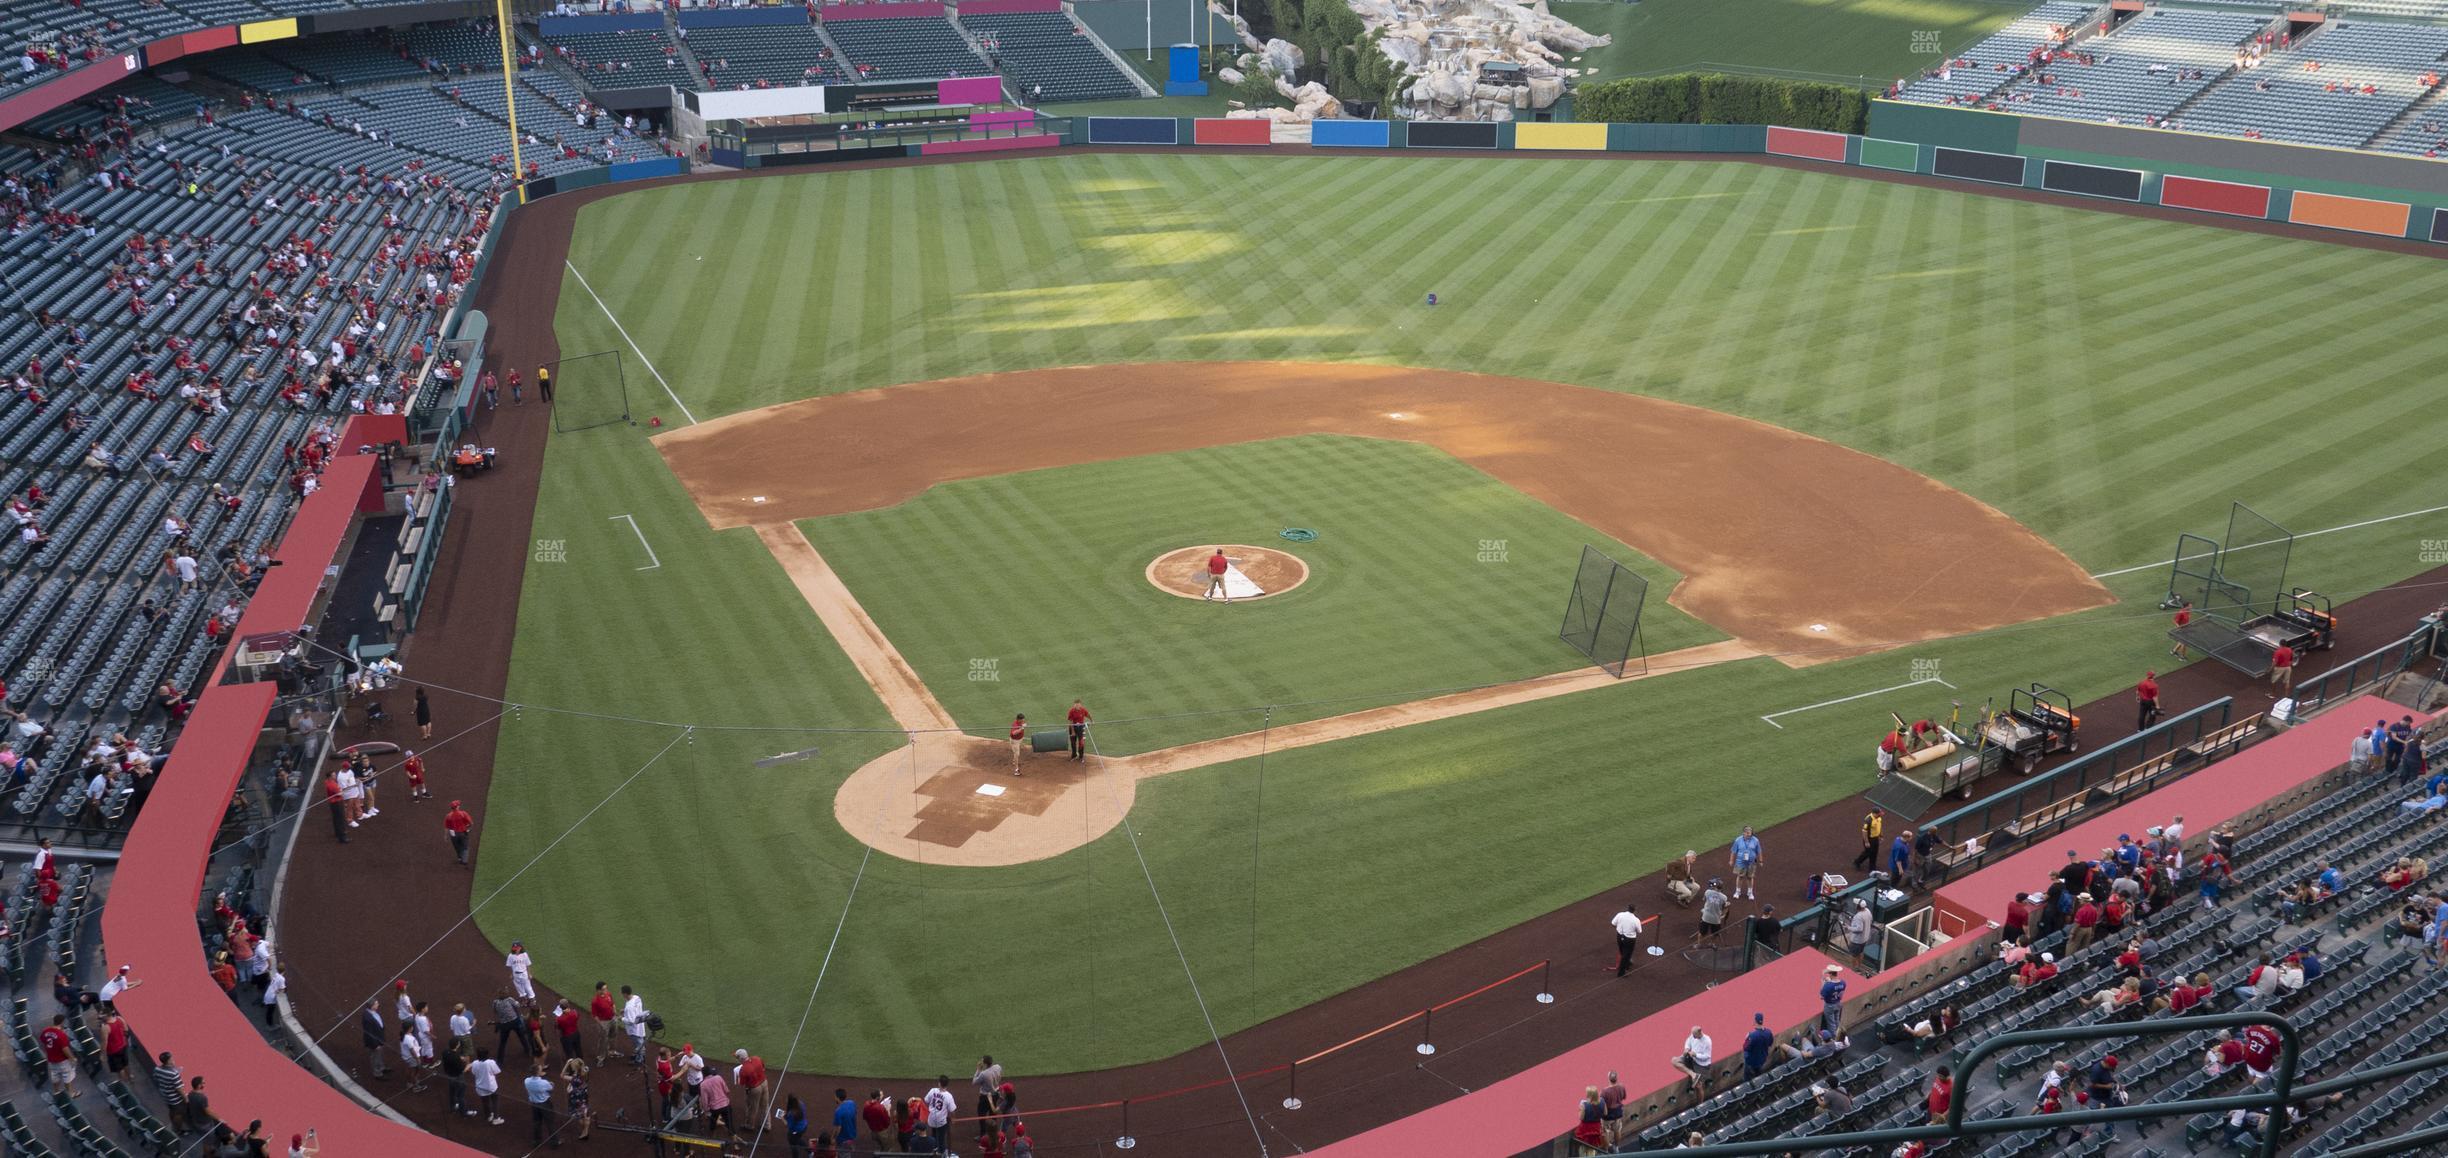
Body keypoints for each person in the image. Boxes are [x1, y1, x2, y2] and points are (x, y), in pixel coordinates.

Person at [526, 1064, 560, 1147]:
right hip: (545, 1104)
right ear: (538, 1072)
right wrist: (552, 1084)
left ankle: (536, 1141)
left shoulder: (526, 1081)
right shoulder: (543, 1082)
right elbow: (551, 1088)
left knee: (536, 1123)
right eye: (540, 1069)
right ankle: (554, 1142)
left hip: (534, 1104)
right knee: (550, 1123)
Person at [1671, 1025, 1712, 1092]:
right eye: (1692, 1034)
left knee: (1698, 1086)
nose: (1693, 1036)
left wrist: (1696, 1055)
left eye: (1694, 1035)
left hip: (1701, 1065)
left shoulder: (1707, 1041)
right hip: (1691, 1058)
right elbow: (1688, 1041)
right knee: (1674, 1060)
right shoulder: (1693, 1035)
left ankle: (1700, 1102)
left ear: (1700, 1032)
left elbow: (1707, 1056)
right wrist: (1687, 1048)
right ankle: (1693, 1074)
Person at [470, 1048, 505, 1125]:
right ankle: (496, 1118)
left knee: (485, 1102)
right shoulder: (490, 1062)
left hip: (480, 1087)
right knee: (495, 1101)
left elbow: (473, 1072)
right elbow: (497, 1071)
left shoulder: (475, 1063)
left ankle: (488, 1116)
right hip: (491, 1086)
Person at [1610, 902, 1643, 976]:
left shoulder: (1620, 914)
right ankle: (1621, 972)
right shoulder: (1636, 920)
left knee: (1622, 951)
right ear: (1635, 910)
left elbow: (1613, 923)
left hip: (1619, 936)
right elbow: (1639, 931)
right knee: (1626, 955)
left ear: (1628, 908)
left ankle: (1627, 963)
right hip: (1630, 939)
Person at [1730, 826, 1763, 899]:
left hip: (1751, 862)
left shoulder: (1755, 840)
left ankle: (1750, 892)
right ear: (1743, 833)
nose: (1749, 834)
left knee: (1750, 877)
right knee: (1740, 876)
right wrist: (1731, 860)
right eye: (1747, 833)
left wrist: (1761, 861)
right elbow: (1733, 851)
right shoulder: (1738, 840)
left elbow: (1759, 851)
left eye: (1750, 833)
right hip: (1740, 862)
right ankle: (1737, 891)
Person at [1740, 1013, 1775, 1081]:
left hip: (1751, 1061)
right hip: (1762, 1058)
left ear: (1755, 1021)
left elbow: (1745, 1047)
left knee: (1747, 1077)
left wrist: (1747, 1038)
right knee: (1758, 1073)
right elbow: (1770, 1043)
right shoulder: (1768, 1032)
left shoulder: (1752, 1035)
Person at [1696, 879, 1729, 946]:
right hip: (1716, 919)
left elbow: (1703, 899)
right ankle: (1711, 943)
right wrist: (1723, 915)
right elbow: (1724, 907)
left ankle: (1698, 945)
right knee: (1714, 934)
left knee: (1701, 933)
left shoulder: (1708, 892)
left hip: (1706, 917)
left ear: (1715, 886)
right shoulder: (1724, 897)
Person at [1818, 963, 1847, 1035]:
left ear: (1830, 974)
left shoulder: (1828, 985)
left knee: (1831, 1023)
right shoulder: (1843, 982)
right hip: (1838, 1003)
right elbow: (1836, 986)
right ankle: (1839, 1033)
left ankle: (1834, 1037)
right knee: (1837, 1020)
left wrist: (1823, 983)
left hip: (1830, 1005)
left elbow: (1822, 996)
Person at [445, 800, 474, 865]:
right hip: (463, 833)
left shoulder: (448, 816)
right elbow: (471, 823)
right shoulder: (463, 814)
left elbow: (447, 827)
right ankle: (465, 860)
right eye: (458, 805)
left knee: (457, 846)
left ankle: (460, 858)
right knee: (465, 847)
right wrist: (469, 829)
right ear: (457, 807)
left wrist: (446, 836)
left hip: (454, 835)